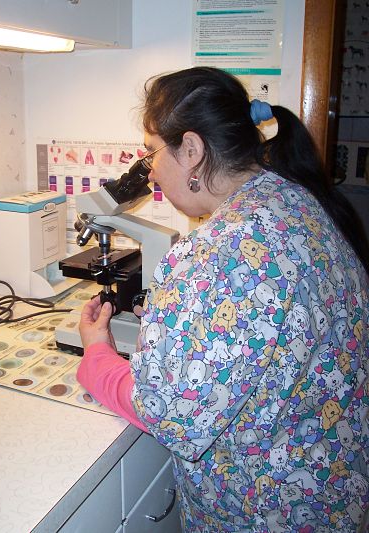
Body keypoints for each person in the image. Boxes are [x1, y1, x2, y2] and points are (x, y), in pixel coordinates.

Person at [77, 67, 369, 532]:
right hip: (331, 484)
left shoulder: (223, 251)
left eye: (152, 151)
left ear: (191, 149)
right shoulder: (292, 198)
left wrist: (97, 353)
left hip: (269, 510)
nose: (149, 168)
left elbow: (171, 411)